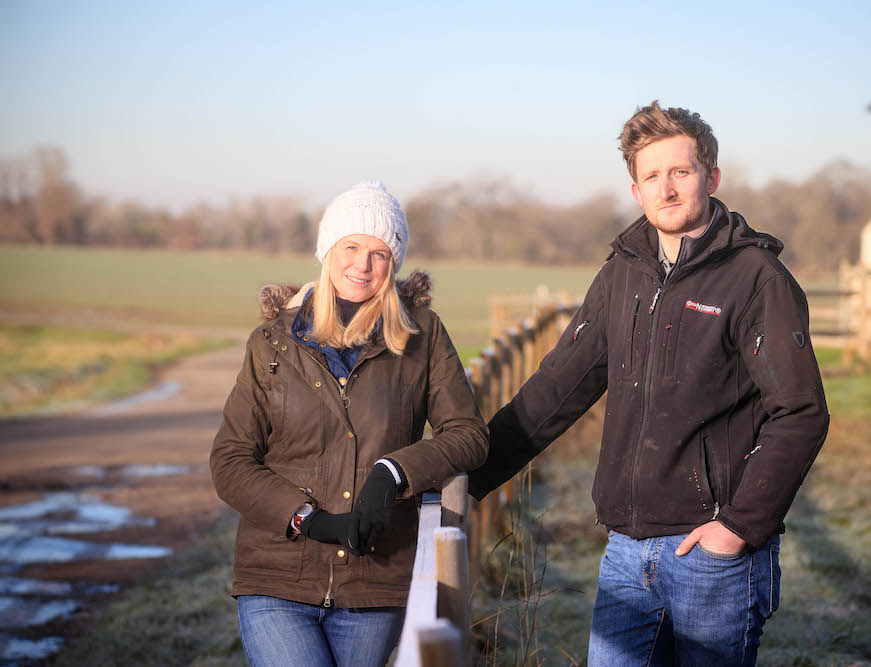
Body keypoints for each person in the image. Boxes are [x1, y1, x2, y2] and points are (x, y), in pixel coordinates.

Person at [468, 102, 830, 665]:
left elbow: (801, 412)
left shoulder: (756, 278)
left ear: (712, 176)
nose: (667, 189)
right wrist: (470, 475)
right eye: (651, 176)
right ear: (636, 191)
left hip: (712, 556)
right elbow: (555, 391)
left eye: (680, 172)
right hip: (626, 553)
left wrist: (735, 528)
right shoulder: (623, 272)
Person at [210, 180, 488, 667]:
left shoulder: (423, 336)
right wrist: (306, 518)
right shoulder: (271, 344)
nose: (363, 265)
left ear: (394, 263)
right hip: (277, 577)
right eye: (352, 247)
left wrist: (393, 472)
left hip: (375, 580)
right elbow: (231, 460)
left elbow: (467, 435)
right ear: (328, 250)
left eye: (380, 253)